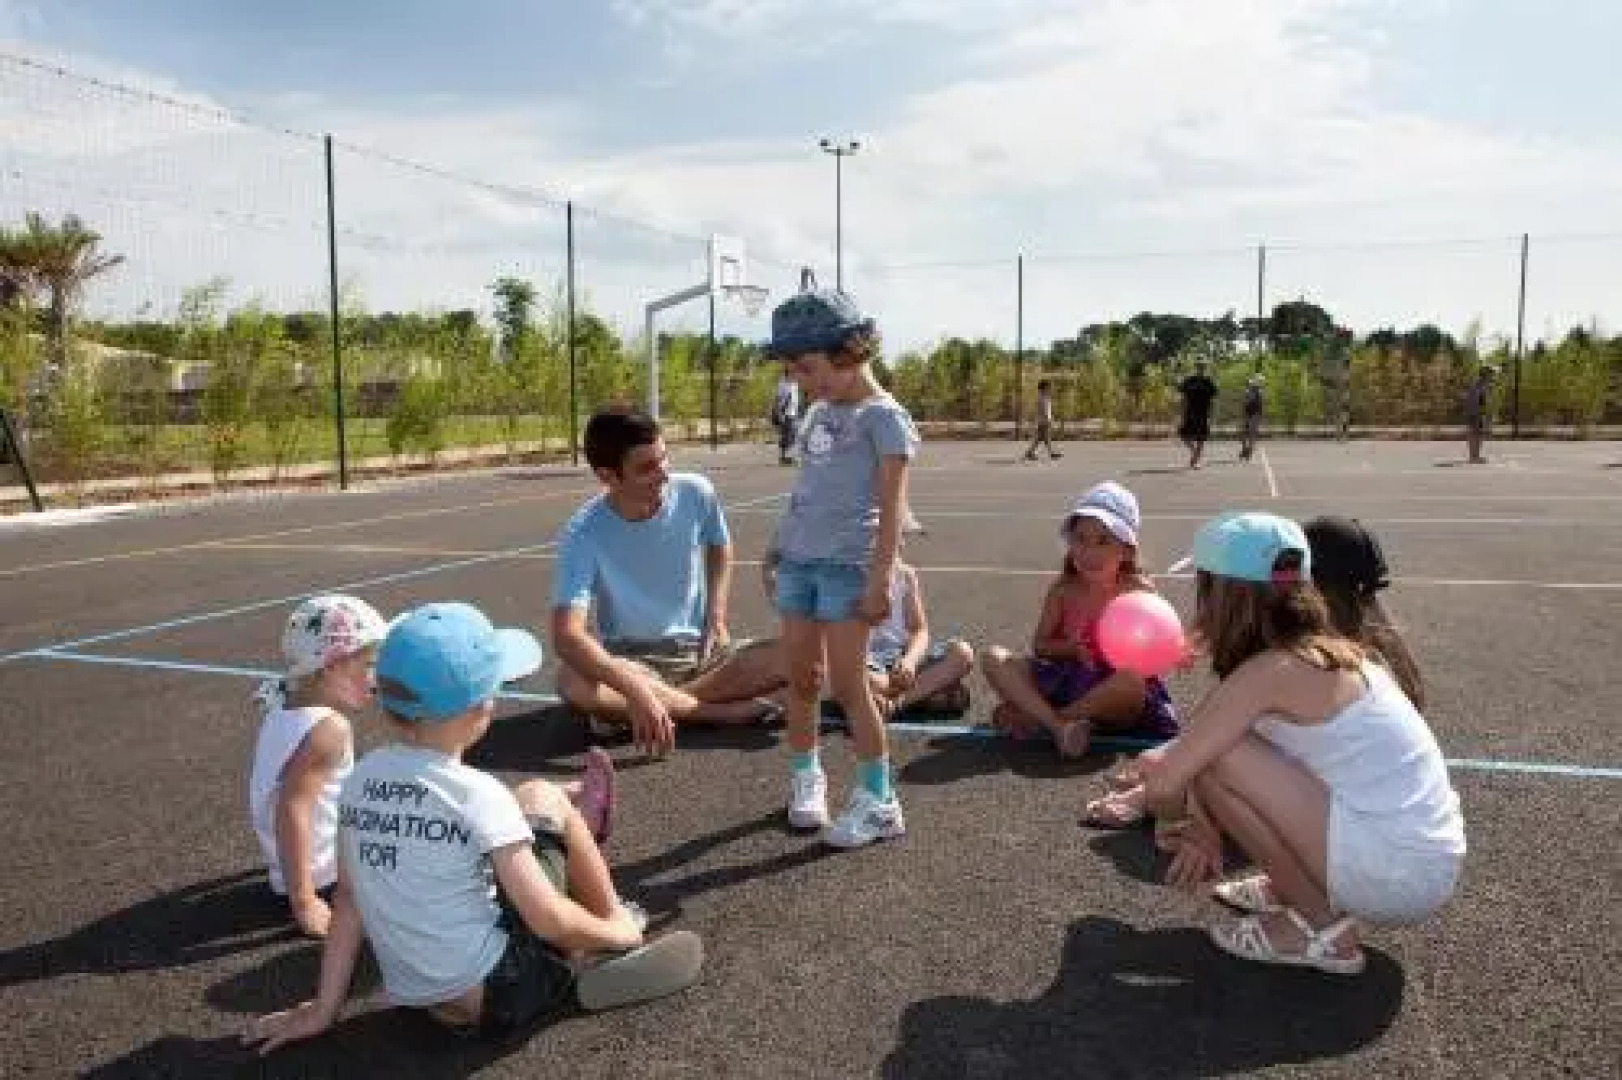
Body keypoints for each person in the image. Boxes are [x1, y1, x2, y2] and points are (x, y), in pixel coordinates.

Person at [242, 603, 703, 1055]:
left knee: (489, 842)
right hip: (504, 991)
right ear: (484, 706)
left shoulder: (359, 781)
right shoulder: (479, 794)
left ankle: (569, 939)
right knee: (543, 797)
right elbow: (547, 919)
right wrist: (619, 933)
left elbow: (348, 899)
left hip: (424, 1000)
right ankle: (605, 934)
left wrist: (324, 1009)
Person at [1137, 512, 1465, 976]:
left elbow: (1168, 779)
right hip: (1418, 863)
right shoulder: (1328, 653)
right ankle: (1297, 887)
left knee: (1219, 756)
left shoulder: (1270, 672)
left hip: (1396, 873)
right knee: (1218, 750)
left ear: (1220, 594)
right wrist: (1201, 818)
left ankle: (1322, 931)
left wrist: (1183, 823)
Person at [1082, 513, 1423, 828]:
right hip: (1374, 816)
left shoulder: (1282, 664)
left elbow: (1232, 738)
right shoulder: (1364, 653)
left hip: (1343, 819)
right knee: (1198, 744)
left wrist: (1168, 802)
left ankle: (1164, 789)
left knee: (1212, 751)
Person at [765, 288, 920, 848]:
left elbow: (893, 509)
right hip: (799, 564)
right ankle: (806, 778)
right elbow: (804, 491)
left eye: (808, 368)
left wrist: (882, 579)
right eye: (793, 371)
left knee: (851, 688)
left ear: (848, 351)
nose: (802, 382)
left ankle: (880, 801)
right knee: (802, 679)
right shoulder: (819, 413)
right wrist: (776, 548)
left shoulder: (885, 419)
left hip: (847, 569)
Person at [551, 408, 785, 759]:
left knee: (801, 653)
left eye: (664, 459)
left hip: (704, 654)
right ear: (607, 476)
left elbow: (719, 545)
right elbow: (567, 635)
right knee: (571, 680)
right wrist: (634, 687)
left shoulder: (695, 492)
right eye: (646, 468)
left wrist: (716, 615)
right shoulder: (583, 532)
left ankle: (646, 710)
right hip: (634, 661)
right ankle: (721, 713)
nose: (663, 475)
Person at [980, 482, 1179, 758]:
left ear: (1127, 550)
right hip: (1068, 680)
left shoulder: (1139, 589)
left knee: (1132, 681)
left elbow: (1161, 639)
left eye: (1103, 541)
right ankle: (1060, 726)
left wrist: (1177, 651)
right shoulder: (1063, 589)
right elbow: (1041, 645)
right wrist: (1071, 649)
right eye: (1080, 539)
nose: (1089, 551)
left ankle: (1046, 719)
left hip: (1115, 694)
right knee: (993, 657)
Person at [248, 594, 389, 939]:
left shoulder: (283, 706)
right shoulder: (328, 729)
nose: (376, 678)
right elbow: (292, 808)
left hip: (293, 868)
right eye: (369, 664)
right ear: (331, 666)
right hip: (326, 878)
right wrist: (305, 901)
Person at [1177, 362, 1218, 469]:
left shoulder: (1208, 382)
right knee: (1183, 435)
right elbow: (1183, 398)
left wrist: (1211, 416)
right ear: (1195, 367)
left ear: (1205, 368)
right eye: (1199, 366)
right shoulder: (1189, 380)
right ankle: (1195, 452)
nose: (1200, 368)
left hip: (1203, 413)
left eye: (1202, 366)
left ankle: (1195, 461)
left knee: (1201, 438)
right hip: (1190, 412)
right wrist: (1181, 413)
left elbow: (1213, 401)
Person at [1464, 365, 1497, 464]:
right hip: (1475, 412)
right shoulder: (1479, 385)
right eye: (1491, 374)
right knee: (1475, 434)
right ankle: (1474, 457)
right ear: (1486, 375)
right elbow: (1479, 401)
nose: (1493, 376)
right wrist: (1484, 415)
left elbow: (1482, 400)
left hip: (1475, 412)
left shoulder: (1481, 384)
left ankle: (1475, 456)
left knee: (1477, 434)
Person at [1024, 379, 1062, 462]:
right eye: (1048, 387)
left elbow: (1045, 410)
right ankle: (1050, 453)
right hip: (1044, 421)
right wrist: (1049, 420)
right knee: (1045, 438)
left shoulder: (1043, 397)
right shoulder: (1042, 398)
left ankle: (1031, 452)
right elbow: (1044, 410)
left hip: (1042, 420)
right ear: (1044, 388)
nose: (1050, 388)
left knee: (1042, 438)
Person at [771, 367, 802, 466]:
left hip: (794, 413)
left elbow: (796, 398)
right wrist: (780, 413)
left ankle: (788, 457)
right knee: (787, 436)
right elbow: (778, 399)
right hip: (786, 414)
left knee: (793, 435)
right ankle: (785, 457)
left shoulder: (794, 383)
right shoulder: (783, 384)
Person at [1238, 374, 1264, 462]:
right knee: (1244, 434)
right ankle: (1246, 450)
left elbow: (1258, 405)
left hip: (1254, 415)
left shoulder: (1258, 392)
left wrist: (1259, 415)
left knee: (1250, 434)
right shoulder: (1249, 391)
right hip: (1249, 414)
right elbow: (1245, 403)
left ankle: (1248, 451)